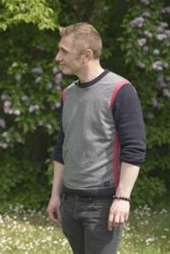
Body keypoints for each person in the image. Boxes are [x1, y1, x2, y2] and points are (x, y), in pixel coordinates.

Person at [45, 22, 146, 253]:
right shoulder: (68, 94)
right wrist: (55, 196)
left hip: (102, 205)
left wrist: (123, 198)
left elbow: (134, 149)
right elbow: (62, 148)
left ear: (86, 55)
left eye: (64, 51)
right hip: (70, 203)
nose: (57, 57)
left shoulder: (121, 90)